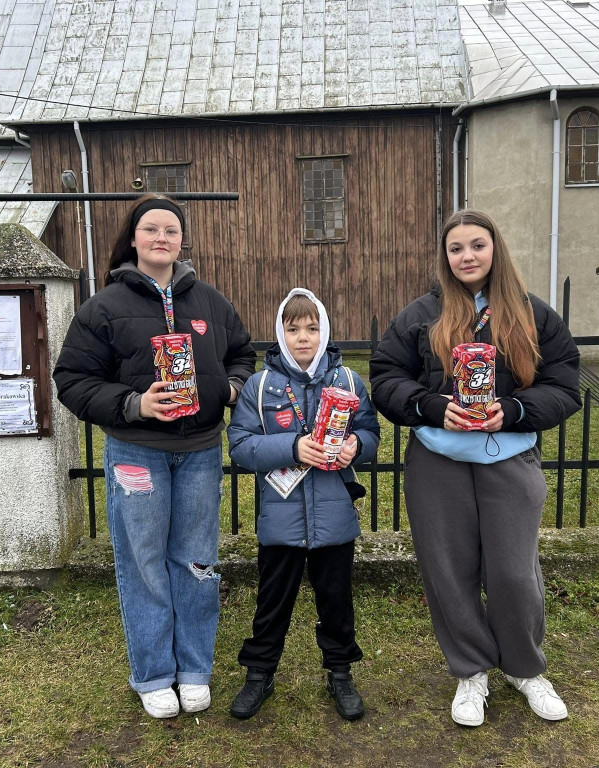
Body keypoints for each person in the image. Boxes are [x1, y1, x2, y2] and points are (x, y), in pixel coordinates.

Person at [369, 210, 580, 727]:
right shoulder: (421, 314)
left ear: (495, 249)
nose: (466, 256)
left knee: (512, 572)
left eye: (477, 245)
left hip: (508, 457)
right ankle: (471, 671)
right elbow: (385, 376)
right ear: (445, 257)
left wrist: (512, 411)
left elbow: (565, 384)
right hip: (437, 460)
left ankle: (526, 668)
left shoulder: (533, 315)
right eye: (456, 248)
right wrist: (431, 405)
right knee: (448, 571)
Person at [53, 194, 256, 719]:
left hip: (199, 451)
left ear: (182, 239)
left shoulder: (210, 301)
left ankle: (193, 670)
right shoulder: (103, 307)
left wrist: (233, 388)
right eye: (151, 229)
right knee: (142, 563)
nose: (161, 237)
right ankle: (152, 674)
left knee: (195, 561)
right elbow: (72, 381)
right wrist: (133, 404)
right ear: (134, 238)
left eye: (171, 229)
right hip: (136, 452)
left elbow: (242, 353)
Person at [226, 288, 380, 721]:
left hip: (334, 515)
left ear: (324, 330)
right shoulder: (260, 386)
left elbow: (370, 435)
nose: (303, 338)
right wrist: (293, 447)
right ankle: (259, 674)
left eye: (312, 328)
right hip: (280, 518)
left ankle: (340, 673)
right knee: (272, 601)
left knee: (336, 599)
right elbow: (240, 445)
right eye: (293, 329)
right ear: (280, 333)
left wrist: (355, 445)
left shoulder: (348, 382)